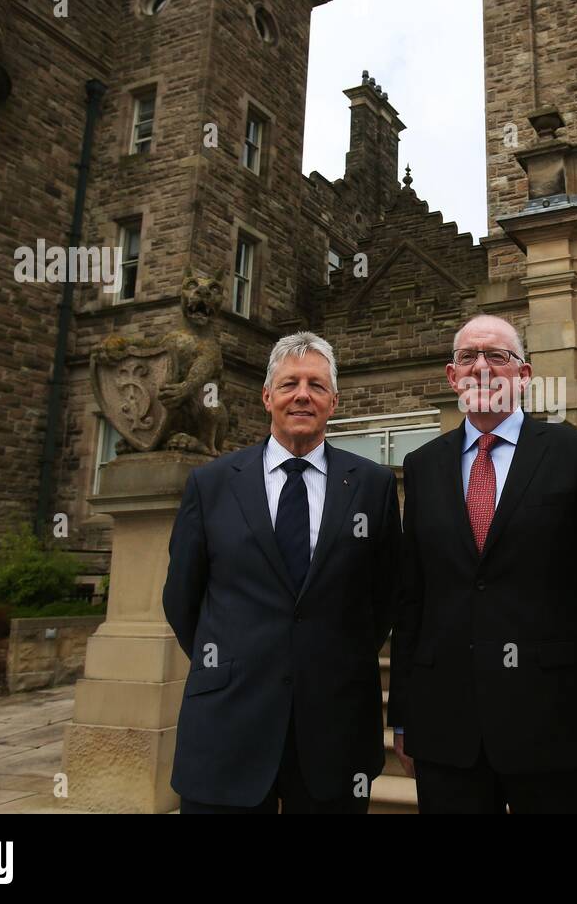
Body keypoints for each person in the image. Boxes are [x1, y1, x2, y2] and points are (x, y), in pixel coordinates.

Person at [388, 314, 577, 813]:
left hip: (558, 729)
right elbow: (412, 600)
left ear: (523, 376)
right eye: (468, 357)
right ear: (452, 376)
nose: (481, 367)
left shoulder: (576, 455)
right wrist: (403, 717)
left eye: (498, 356)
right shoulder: (422, 467)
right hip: (447, 731)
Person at [163, 332, 401, 813]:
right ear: (267, 396)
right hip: (228, 723)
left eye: (316, 385)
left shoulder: (372, 486)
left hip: (333, 728)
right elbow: (182, 598)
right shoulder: (211, 484)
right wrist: (233, 659)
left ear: (333, 401)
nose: (302, 395)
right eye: (290, 383)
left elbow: (385, 597)